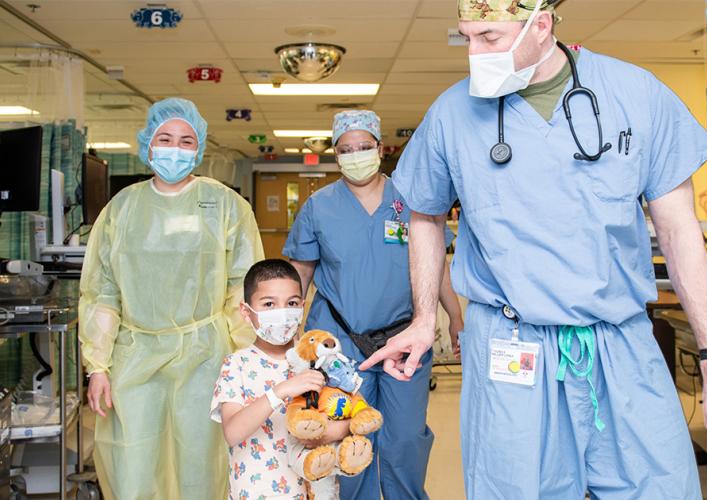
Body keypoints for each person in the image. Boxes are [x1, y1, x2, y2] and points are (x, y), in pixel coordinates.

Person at [361, 1, 707, 498]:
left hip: (619, 340)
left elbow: (682, 235)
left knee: (660, 486)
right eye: (466, 37)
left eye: (489, 37)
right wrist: (425, 319)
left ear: (542, 25)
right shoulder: (452, 112)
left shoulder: (636, 95)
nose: (474, 53)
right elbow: (425, 213)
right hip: (512, 346)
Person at [79, 98, 264, 499]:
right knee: (133, 464)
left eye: (185, 141)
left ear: (197, 150)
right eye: (165, 138)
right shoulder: (121, 210)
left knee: (201, 462)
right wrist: (97, 366)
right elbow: (102, 291)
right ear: (148, 144)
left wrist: (247, 360)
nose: (174, 149)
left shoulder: (226, 206)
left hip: (205, 356)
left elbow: (242, 289)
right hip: (135, 355)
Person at [283, 110, 464, 500]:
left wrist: (455, 316)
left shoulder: (411, 198)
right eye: (346, 150)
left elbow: (436, 265)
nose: (356, 155)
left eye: (364, 147)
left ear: (381, 148)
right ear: (336, 155)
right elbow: (300, 271)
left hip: (404, 337)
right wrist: (288, 330)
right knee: (347, 432)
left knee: (404, 436)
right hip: (339, 343)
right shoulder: (319, 206)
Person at [211, 259, 350, 500]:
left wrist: (327, 432)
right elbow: (232, 431)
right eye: (268, 304)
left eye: (292, 303)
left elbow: (350, 418)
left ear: (302, 307)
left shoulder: (319, 361)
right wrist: (281, 391)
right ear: (246, 312)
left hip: (311, 490)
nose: (282, 312)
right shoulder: (237, 365)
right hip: (255, 492)